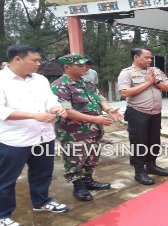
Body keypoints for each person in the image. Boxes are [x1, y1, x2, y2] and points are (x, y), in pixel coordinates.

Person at [0, 44, 69, 226]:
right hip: (14, 140)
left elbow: (49, 100)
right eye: (34, 60)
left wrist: (55, 108)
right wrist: (33, 115)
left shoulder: (40, 80)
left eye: (39, 59)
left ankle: (41, 201)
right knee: (6, 179)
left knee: (42, 173)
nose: (39, 63)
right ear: (18, 59)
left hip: (43, 136)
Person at [51, 53, 123, 201]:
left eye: (85, 65)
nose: (85, 67)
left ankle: (88, 181)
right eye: (80, 65)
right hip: (73, 133)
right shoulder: (60, 85)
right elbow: (68, 112)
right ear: (67, 67)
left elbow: (99, 97)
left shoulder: (86, 82)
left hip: (94, 130)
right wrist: (94, 119)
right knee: (75, 160)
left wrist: (109, 110)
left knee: (91, 157)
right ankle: (78, 187)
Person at [117, 47, 168, 185]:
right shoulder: (127, 73)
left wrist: (156, 82)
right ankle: (139, 171)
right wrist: (147, 83)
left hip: (155, 112)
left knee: (154, 140)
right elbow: (124, 93)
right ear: (136, 57)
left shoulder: (156, 71)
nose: (150, 60)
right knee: (139, 141)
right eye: (146, 57)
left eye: (150, 57)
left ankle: (151, 165)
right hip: (137, 112)